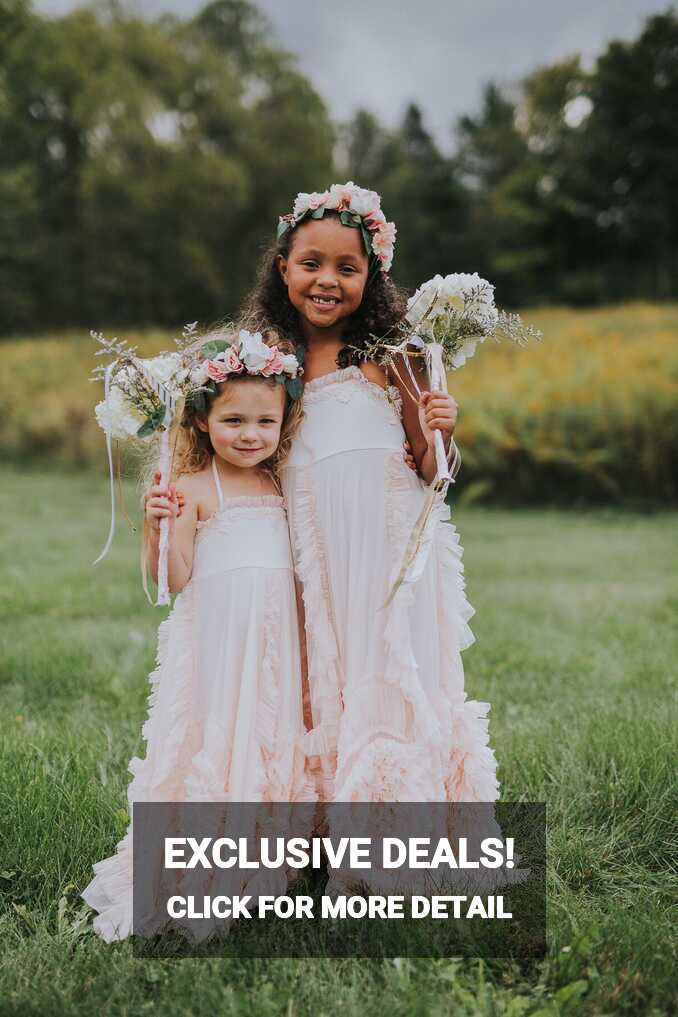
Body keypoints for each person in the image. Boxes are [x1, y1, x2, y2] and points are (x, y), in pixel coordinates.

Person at [236, 181, 500, 808]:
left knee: (386, 674)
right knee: (325, 677)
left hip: (387, 557)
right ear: (283, 270)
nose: (327, 280)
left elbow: (437, 470)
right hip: (313, 554)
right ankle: (329, 820)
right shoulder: (271, 366)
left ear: (371, 275)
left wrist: (442, 426)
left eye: (346, 268)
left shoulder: (392, 355)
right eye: (311, 264)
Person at [82, 330, 314, 942]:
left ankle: (270, 862)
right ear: (202, 419)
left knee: (270, 732)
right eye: (234, 419)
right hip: (219, 643)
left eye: (266, 420)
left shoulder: (282, 485)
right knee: (220, 734)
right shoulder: (189, 489)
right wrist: (160, 529)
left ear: (284, 421)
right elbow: (174, 580)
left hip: (275, 646)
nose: (250, 434)